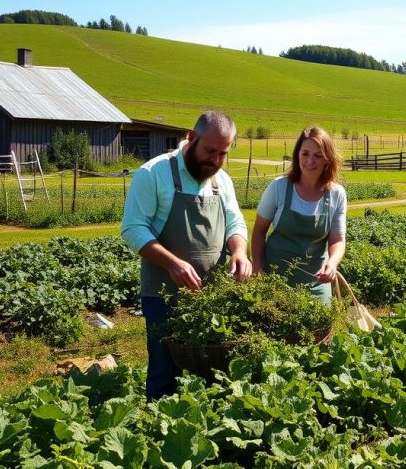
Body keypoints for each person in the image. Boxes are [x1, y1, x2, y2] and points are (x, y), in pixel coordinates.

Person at [121, 110, 252, 400]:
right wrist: (172, 263)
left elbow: (235, 222)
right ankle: (158, 429)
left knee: (213, 368)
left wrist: (240, 252)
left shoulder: (222, 181)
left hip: (213, 296)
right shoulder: (153, 174)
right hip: (164, 295)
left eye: (223, 154)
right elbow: (132, 228)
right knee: (165, 369)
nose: (215, 161)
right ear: (191, 138)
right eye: (209, 151)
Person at [251, 127, 347, 304]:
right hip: (275, 278)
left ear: (328, 159)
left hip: (316, 281)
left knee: (319, 328)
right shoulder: (278, 188)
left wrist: (332, 263)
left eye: (318, 155)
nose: (310, 161)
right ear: (297, 155)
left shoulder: (336, 194)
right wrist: (257, 267)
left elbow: (338, 239)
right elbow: (258, 230)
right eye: (305, 153)